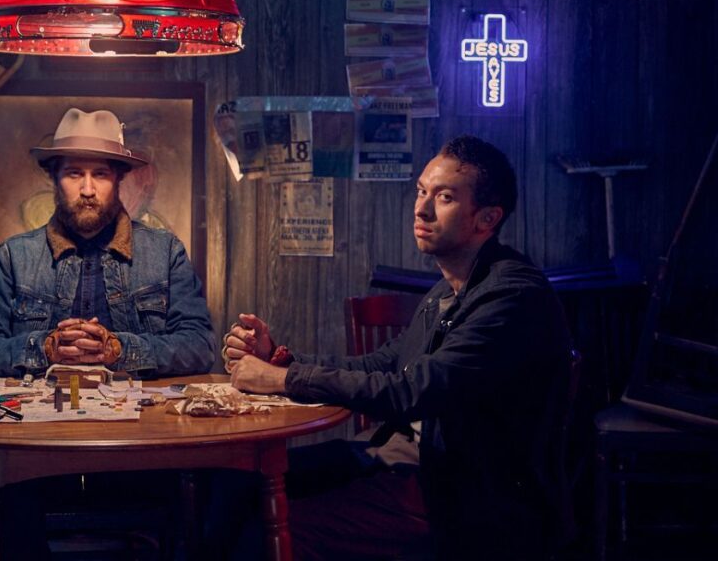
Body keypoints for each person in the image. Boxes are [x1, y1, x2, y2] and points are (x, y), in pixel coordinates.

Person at [224, 136, 575, 560]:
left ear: (487, 218)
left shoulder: (511, 296)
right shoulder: (449, 287)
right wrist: (281, 360)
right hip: (406, 458)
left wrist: (284, 379)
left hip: (465, 496)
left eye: (444, 197)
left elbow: (412, 391)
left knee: (263, 532)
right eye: (422, 191)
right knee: (235, 485)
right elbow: (384, 363)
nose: (421, 209)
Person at [0, 107, 216, 378]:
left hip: (138, 406)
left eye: (101, 174)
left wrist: (120, 350)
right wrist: (45, 348)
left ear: (118, 178)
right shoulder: (13, 256)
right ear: (54, 178)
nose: (88, 190)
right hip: (44, 406)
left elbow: (200, 346)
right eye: (74, 173)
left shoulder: (165, 252)